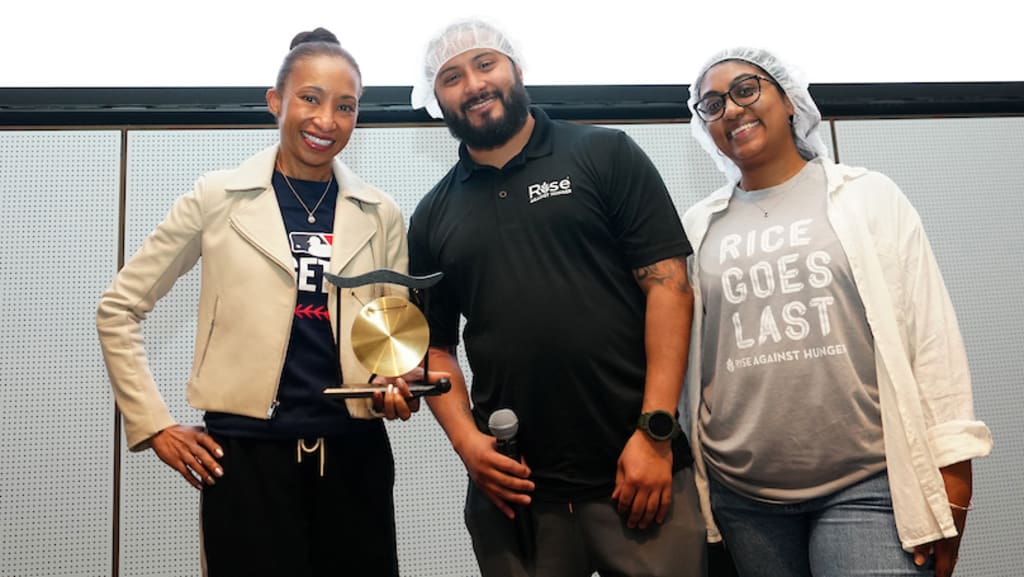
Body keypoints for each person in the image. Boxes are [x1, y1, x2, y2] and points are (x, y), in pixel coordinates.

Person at [96, 28, 427, 577]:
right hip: (246, 459)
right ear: (276, 102)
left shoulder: (379, 212)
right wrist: (153, 424)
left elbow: (393, 339)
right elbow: (119, 308)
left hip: (355, 457)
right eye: (310, 98)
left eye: (345, 106)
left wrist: (400, 383)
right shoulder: (216, 198)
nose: (327, 120)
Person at [407, 19, 706, 577]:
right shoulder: (431, 215)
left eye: (485, 63)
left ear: (517, 69)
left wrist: (655, 431)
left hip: (637, 474)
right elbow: (435, 348)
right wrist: (468, 445)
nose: (472, 84)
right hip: (515, 493)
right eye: (451, 76)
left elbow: (669, 289)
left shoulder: (604, 153)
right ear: (435, 98)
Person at [681, 46, 993, 577]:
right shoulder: (697, 227)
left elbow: (931, 337)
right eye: (711, 104)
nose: (731, 109)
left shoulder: (866, 197)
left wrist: (953, 475)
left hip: (867, 486)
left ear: (788, 101)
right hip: (744, 499)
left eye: (746, 90)